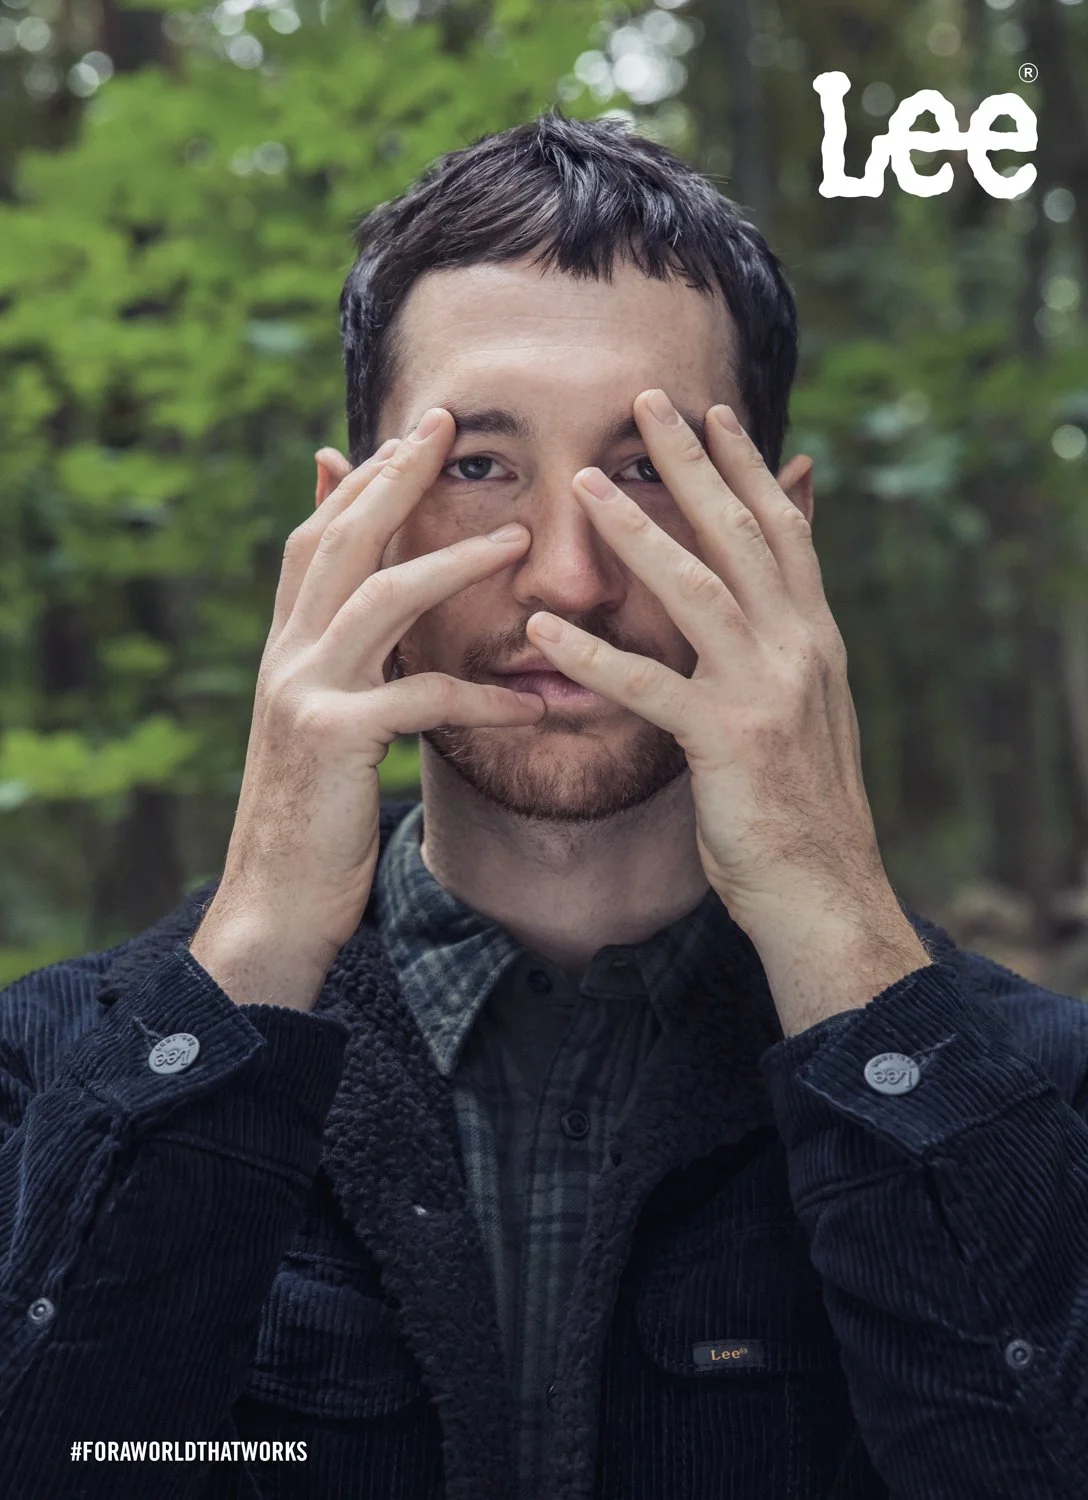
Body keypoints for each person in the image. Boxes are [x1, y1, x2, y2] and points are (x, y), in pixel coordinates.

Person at [1, 110, 1086, 1500]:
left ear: (781, 533)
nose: (568, 580)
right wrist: (257, 947)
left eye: (647, 470)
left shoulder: (1040, 1097)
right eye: (478, 466)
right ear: (352, 527)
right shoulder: (47, 1078)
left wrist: (834, 918)